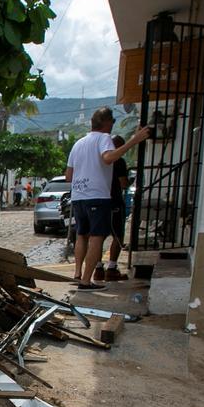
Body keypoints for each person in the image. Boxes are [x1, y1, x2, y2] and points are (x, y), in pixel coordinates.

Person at [64, 108, 149, 289]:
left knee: (81, 235)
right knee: (97, 237)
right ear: (107, 122)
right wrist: (134, 140)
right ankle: (86, 281)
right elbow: (108, 157)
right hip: (97, 195)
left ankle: (78, 274)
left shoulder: (78, 143)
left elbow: (68, 176)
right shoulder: (104, 139)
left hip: (78, 195)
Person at [99, 135, 131, 282]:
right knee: (117, 236)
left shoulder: (98, 160)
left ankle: (98, 268)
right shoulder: (117, 161)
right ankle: (111, 268)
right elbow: (123, 183)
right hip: (114, 202)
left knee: (97, 236)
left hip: (98, 201)